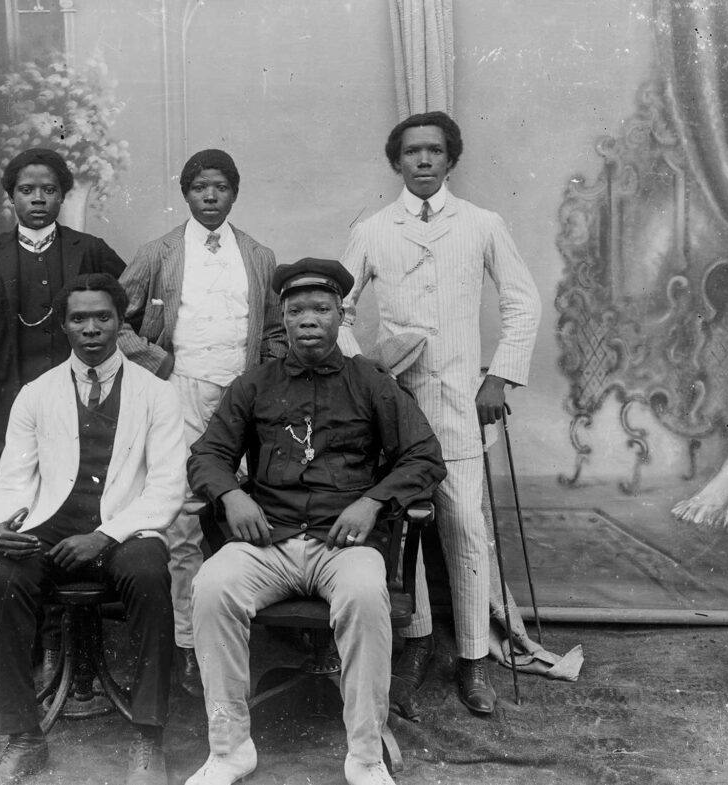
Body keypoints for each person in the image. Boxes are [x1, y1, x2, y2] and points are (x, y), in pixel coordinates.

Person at [185, 259, 446, 785]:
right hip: (267, 544)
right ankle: (231, 748)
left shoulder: (370, 382)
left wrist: (372, 501)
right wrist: (232, 496)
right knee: (211, 586)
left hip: (342, 545)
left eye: (321, 309)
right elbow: (206, 456)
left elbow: (424, 457)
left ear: (340, 315)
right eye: (297, 309)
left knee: (366, 595)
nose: (309, 319)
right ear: (281, 317)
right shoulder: (254, 383)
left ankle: (366, 757)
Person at [338, 111, 542, 715]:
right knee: (401, 531)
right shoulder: (374, 229)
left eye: (433, 151)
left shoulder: (481, 223)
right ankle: (418, 645)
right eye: (410, 152)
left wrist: (498, 376)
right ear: (395, 162)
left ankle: (474, 659)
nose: (422, 161)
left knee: (465, 530)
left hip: (460, 405)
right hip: (394, 411)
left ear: (450, 159)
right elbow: (338, 307)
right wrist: (365, 374)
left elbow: (522, 302)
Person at [0, 274, 185, 785]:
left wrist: (107, 535)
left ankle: (147, 736)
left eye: (103, 317)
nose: (91, 329)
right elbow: (14, 479)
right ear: (64, 325)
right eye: (79, 319)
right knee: (2, 577)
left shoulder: (157, 394)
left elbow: (166, 488)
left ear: (120, 322)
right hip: (52, 524)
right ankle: (24, 738)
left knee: (151, 574)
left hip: (127, 528)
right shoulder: (36, 394)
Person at [117, 149, 286, 697]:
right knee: (184, 516)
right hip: (180, 391)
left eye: (220, 188)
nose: (209, 197)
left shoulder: (259, 256)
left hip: (243, 395)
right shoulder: (159, 252)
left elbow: (276, 331)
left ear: (235, 193)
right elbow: (113, 319)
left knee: (253, 505)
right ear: (185, 194)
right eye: (199, 188)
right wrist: (156, 361)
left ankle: (247, 637)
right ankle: (187, 643)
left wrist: (264, 379)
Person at [0, 148, 126, 468]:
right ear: (10, 197)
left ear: (62, 197)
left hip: (84, 405)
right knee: (18, 498)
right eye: (26, 190)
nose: (38, 199)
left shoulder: (90, 250)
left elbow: (133, 309)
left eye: (49, 190)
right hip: (12, 407)